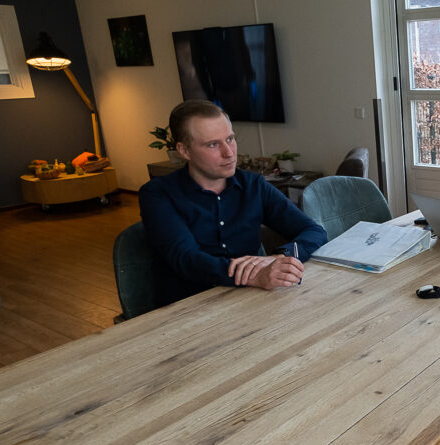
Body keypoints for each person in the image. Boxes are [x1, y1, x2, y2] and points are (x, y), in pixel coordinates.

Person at [139, 100, 327, 307]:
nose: (229, 153)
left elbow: (314, 231)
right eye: (213, 144)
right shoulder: (158, 194)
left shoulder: (253, 185)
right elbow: (187, 259)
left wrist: (279, 257)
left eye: (230, 139)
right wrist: (255, 275)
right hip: (189, 307)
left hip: (251, 299)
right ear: (184, 150)